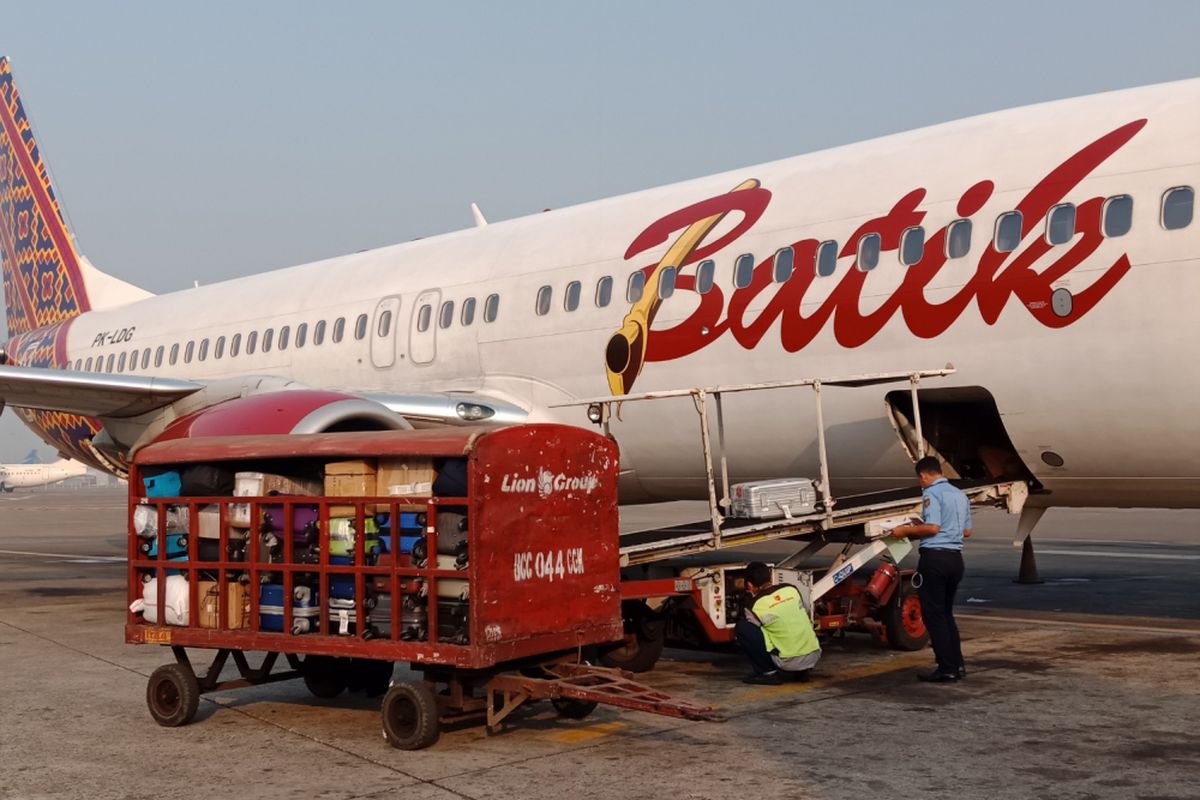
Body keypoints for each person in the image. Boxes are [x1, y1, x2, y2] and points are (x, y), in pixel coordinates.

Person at [889, 456, 972, 683]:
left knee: (933, 615)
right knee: (946, 613)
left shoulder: (931, 494)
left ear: (924, 475)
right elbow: (966, 532)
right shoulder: (960, 494)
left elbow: (933, 527)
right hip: (955, 559)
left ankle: (946, 668)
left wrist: (904, 531)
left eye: (920, 480)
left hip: (935, 559)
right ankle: (957, 664)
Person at [733, 561, 821, 685]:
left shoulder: (753, 605)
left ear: (749, 585)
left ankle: (768, 673)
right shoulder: (791, 589)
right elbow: (804, 611)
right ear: (769, 577)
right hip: (813, 655)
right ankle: (802, 672)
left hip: (787, 661)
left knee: (743, 627)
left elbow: (758, 636)